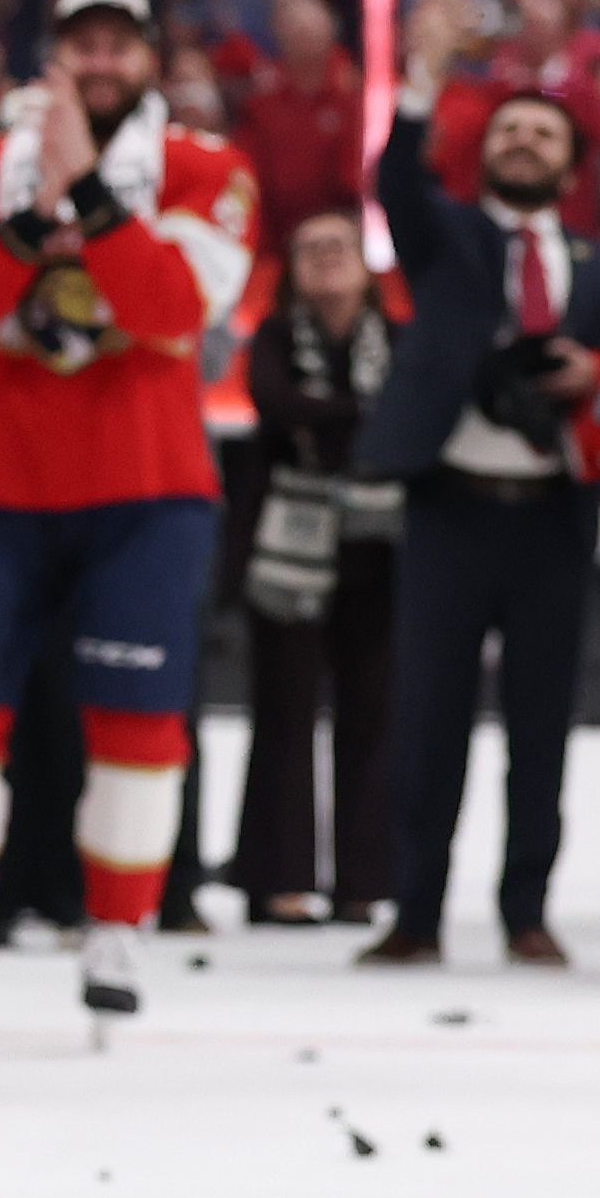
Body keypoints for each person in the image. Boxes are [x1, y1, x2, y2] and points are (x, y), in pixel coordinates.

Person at [0, 0, 254, 1049]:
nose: (99, 59)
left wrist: (83, 197)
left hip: (146, 483)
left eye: (117, 43)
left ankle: (117, 935)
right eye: (80, 41)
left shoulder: (206, 165)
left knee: (135, 728)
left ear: (148, 59)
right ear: (54, 56)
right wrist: (42, 213)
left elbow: (173, 309)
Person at [353, 0, 600, 967]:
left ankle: (527, 907)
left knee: (541, 722)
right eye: (509, 130)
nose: (523, 143)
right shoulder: (444, 236)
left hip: (551, 519)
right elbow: (392, 179)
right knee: (427, 716)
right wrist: (421, 77)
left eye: (543, 134)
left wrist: (593, 378)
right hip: (449, 508)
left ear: (572, 169)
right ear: (478, 151)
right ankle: (414, 911)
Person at [231, 211, 396, 924]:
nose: (326, 259)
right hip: (286, 547)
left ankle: (364, 878)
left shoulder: (395, 339)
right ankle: (279, 875)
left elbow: (397, 416)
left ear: (366, 265)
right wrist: (357, 417)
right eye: (310, 248)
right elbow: (274, 405)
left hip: (379, 545)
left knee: (373, 709)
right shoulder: (271, 337)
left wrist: (322, 419)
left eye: (339, 247)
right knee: (283, 709)